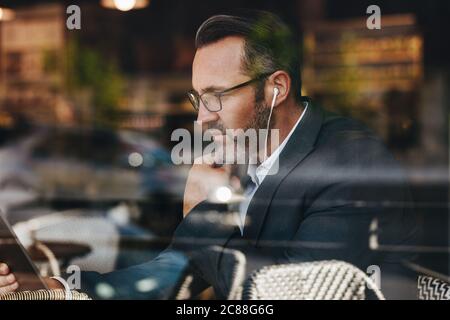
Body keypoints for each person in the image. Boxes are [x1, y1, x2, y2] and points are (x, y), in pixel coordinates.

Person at [0, 10, 420, 299]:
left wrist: (201, 219)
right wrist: (63, 290)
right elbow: (180, 268)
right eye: (199, 99)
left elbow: (281, 291)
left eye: (217, 97)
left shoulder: (351, 164)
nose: (202, 120)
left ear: (276, 89)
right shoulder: (243, 152)